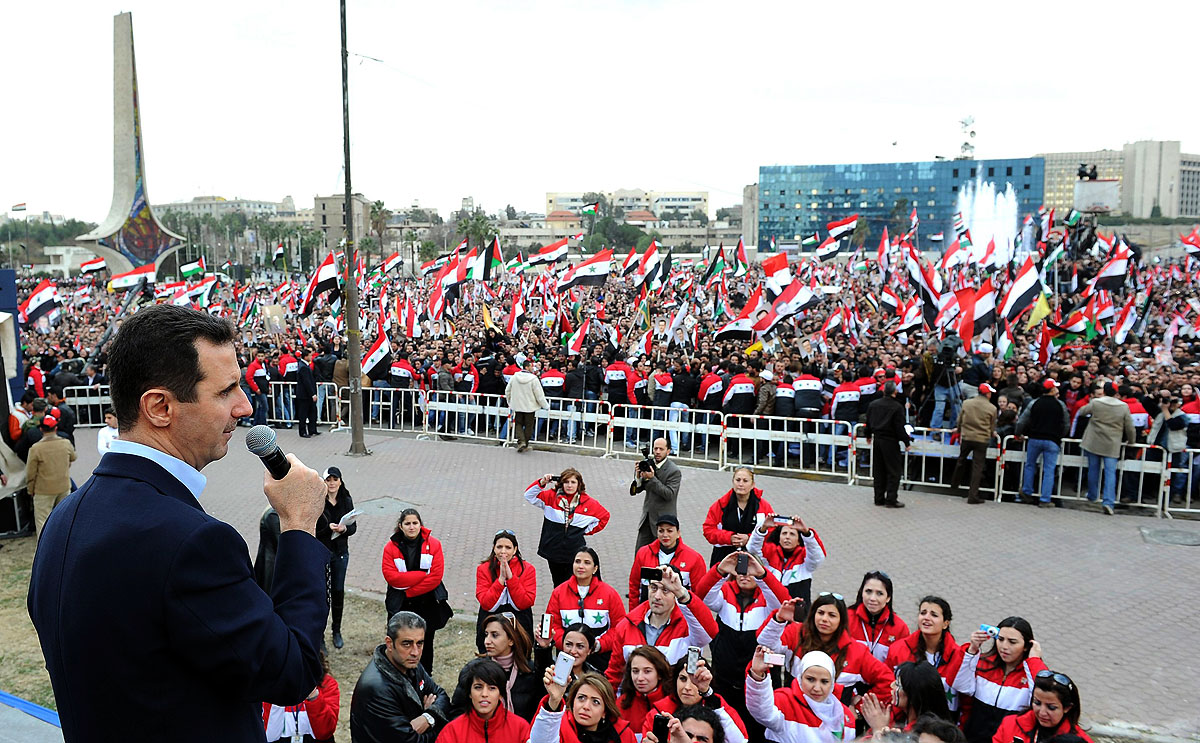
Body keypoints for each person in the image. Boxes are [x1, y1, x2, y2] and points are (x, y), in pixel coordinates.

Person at [28, 304, 330, 742]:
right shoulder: (192, 542)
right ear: (160, 407)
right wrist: (300, 525)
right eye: (226, 392)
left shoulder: (65, 517)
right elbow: (292, 670)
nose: (244, 408)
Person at [693, 550, 788, 742]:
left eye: (750, 570)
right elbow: (701, 595)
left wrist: (761, 575)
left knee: (758, 731)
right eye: (740, 570)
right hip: (725, 680)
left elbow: (781, 600)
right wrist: (720, 570)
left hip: (759, 682)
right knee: (728, 729)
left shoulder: (768, 599)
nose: (745, 575)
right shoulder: (725, 593)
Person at [757, 592, 895, 705]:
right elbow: (765, 643)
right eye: (821, 612)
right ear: (813, 614)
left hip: (832, 727)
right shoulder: (796, 633)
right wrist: (779, 618)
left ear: (842, 620)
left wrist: (860, 709)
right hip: (793, 716)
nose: (824, 619)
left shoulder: (856, 651)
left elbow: (888, 682)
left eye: (832, 615)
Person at [598, 565, 718, 687]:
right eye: (653, 588)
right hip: (636, 703)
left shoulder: (690, 626)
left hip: (674, 703)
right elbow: (615, 675)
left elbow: (710, 632)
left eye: (666, 590)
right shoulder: (626, 625)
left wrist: (681, 592)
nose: (657, 596)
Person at [350, 611, 451, 742]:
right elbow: (411, 740)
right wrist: (443, 727)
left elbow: (441, 695)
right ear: (389, 644)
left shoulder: (410, 663)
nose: (415, 652)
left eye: (419, 643)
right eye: (407, 644)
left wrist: (427, 717)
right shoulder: (377, 688)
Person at [958, 617, 1046, 743]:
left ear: (1027, 646)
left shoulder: (1031, 674)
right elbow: (962, 687)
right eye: (1000, 639)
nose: (1004, 646)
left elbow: (1042, 692)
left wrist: (1034, 661)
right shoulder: (983, 663)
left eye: (1012, 642)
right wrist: (972, 650)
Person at [381, 508, 448, 671]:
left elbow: (435, 577)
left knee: (426, 641)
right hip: (400, 603)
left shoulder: (434, 544)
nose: (411, 527)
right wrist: (420, 575)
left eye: (415, 523)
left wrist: (409, 591)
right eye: (407, 523)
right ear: (401, 526)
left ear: (420, 525)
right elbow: (392, 577)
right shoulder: (390, 547)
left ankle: (426, 674)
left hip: (427, 602)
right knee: (400, 639)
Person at [745, 647, 858, 742]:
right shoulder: (784, 701)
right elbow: (761, 711)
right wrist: (757, 675)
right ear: (800, 678)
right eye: (810, 679)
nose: (817, 688)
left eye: (824, 681)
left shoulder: (845, 715)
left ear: (832, 683)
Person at [886, 596, 974, 713]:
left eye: (934, 615)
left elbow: (966, 700)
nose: (926, 618)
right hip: (903, 722)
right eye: (923, 613)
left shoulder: (958, 657)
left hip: (941, 725)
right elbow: (887, 686)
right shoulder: (898, 649)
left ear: (945, 624)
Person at [544, 547, 626, 673]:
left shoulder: (609, 594)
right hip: (568, 657)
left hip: (600, 657)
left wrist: (599, 645)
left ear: (595, 569)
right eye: (577, 561)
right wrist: (569, 646)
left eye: (587, 563)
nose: (581, 566)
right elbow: (553, 626)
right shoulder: (558, 593)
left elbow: (619, 628)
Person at [524, 468, 610, 586]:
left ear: (579, 484)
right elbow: (529, 495)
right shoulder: (551, 497)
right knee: (559, 585)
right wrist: (542, 482)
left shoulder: (589, 503)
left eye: (573, 482)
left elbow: (604, 517)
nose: (569, 485)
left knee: (577, 584)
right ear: (561, 483)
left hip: (574, 552)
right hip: (553, 551)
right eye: (566, 482)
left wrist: (584, 531)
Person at [451, 613, 542, 723]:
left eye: (494, 635)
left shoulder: (529, 671)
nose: (487, 641)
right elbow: (457, 711)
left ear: (511, 640)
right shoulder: (473, 670)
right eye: (486, 634)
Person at [642, 657, 747, 743]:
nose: (688, 687)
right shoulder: (657, 714)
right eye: (683, 679)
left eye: (696, 681)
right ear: (675, 681)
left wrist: (707, 693)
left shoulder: (723, 712)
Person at [439, 658, 533, 743]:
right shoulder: (451, 732)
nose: (484, 694)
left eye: (492, 688)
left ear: (500, 694)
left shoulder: (520, 728)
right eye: (478, 687)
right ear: (469, 693)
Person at [529, 670, 635, 743]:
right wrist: (554, 700)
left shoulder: (623, 735)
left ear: (605, 712)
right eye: (581, 698)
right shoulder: (557, 726)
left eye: (596, 702)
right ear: (573, 702)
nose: (586, 706)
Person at [1078, 382, 1135, 515]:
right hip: (1112, 443)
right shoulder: (1123, 406)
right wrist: (1132, 441)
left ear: (1104, 391)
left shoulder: (1097, 402)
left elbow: (1082, 412)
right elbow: (1129, 427)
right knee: (1110, 473)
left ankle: (1092, 495)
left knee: (1093, 469)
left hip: (1094, 440)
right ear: (1116, 393)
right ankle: (1108, 502)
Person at [475, 529, 538, 652]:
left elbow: (526, 602)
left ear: (515, 549)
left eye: (508, 547)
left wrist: (511, 579)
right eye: (499, 547)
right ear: (494, 548)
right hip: (491, 616)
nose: (503, 551)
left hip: (520, 618)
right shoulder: (483, 569)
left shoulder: (528, 569)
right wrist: (500, 581)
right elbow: (486, 603)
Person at [315, 466, 356, 649]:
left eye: (335, 479)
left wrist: (344, 529)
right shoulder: (317, 501)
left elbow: (353, 527)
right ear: (324, 482)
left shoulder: (346, 500)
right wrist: (327, 528)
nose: (331, 483)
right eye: (328, 480)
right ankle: (320, 635)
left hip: (340, 553)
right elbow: (313, 528)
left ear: (340, 481)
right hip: (323, 552)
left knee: (338, 592)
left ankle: (336, 630)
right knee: (322, 595)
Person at [627, 514, 706, 610]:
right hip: (649, 614)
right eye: (661, 531)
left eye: (669, 531)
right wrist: (633, 616)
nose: (665, 535)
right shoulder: (643, 554)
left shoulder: (694, 558)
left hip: (679, 618)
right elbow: (634, 587)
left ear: (678, 533)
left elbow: (699, 595)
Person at [990, 670, 1092, 743]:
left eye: (1051, 707)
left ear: (1067, 708)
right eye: (1037, 703)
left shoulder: (1079, 740)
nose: (1042, 712)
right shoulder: (1010, 724)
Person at [746, 513, 826, 604]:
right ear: (779, 538)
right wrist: (763, 528)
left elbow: (817, 557)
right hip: (771, 609)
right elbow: (752, 549)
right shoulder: (769, 554)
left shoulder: (805, 558)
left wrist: (806, 533)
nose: (787, 537)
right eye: (784, 533)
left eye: (792, 534)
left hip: (797, 612)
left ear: (799, 541)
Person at [701, 467, 774, 566]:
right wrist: (729, 538)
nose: (741, 484)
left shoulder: (763, 506)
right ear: (733, 482)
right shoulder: (721, 505)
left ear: (753, 485)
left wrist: (749, 539)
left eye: (745, 481)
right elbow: (708, 530)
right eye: (738, 480)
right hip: (724, 558)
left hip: (754, 558)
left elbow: (772, 532)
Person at [261, 650, 339, 742]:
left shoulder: (327, 684)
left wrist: (313, 696)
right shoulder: (267, 686)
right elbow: (268, 736)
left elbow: (324, 733)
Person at [1016, 379, 1070, 507]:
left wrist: (1018, 433)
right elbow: (1066, 424)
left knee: (1030, 465)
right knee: (1049, 470)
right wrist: (1060, 436)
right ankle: (1045, 499)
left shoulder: (1034, 403)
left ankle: (1027, 492)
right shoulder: (1060, 405)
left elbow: (1022, 421)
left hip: (1034, 438)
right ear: (1052, 390)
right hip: (1052, 440)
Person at [860, 661, 953, 733]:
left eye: (898, 685)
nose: (892, 686)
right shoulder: (895, 715)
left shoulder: (929, 732)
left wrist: (879, 729)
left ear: (914, 695)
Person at [25, 410, 76, 540]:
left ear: (41, 429)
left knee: (42, 521)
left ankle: (44, 549)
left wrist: (30, 489)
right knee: (64, 519)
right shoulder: (65, 443)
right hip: (63, 486)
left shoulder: (36, 448)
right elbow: (73, 457)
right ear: (56, 428)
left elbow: (30, 473)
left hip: (43, 489)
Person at [629, 437, 683, 550]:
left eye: (661, 449)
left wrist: (652, 479)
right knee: (640, 555)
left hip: (664, 523)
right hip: (647, 521)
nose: (657, 452)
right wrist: (638, 477)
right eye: (655, 448)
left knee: (660, 558)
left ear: (668, 451)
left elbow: (669, 494)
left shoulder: (674, 471)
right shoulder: (648, 465)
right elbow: (635, 491)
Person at [864, 380, 912, 508]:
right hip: (890, 441)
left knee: (878, 470)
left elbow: (868, 421)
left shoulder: (873, 404)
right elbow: (899, 427)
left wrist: (868, 435)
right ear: (895, 392)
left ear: (884, 391)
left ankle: (878, 498)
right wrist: (906, 441)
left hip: (877, 440)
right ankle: (891, 499)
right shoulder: (897, 407)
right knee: (893, 471)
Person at [846, 570, 910, 663]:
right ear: (861, 593)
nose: (872, 598)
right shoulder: (846, 619)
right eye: (868, 591)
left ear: (888, 598)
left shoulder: (900, 628)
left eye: (879, 593)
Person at [950, 382, 996, 504]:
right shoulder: (992, 408)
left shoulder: (967, 403)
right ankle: (973, 495)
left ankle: (954, 483)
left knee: (961, 459)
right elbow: (992, 426)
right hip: (981, 439)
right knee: (978, 467)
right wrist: (991, 433)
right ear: (987, 394)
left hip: (967, 436)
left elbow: (960, 419)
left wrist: (959, 430)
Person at [615, 645, 671, 732]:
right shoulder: (621, 704)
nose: (640, 678)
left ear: (659, 673)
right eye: (635, 671)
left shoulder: (673, 702)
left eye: (647, 671)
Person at [506, 357, 549, 451]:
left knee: (518, 423)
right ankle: (525, 443)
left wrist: (510, 401)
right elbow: (539, 394)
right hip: (530, 406)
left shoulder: (514, 377)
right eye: (531, 366)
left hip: (517, 405)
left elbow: (507, 390)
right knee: (529, 425)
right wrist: (545, 405)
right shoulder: (534, 379)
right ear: (527, 367)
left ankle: (521, 441)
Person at [295, 347, 319, 437]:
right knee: (303, 414)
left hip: (307, 395)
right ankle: (303, 431)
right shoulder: (303, 367)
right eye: (310, 356)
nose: (311, 357)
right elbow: (307, 382)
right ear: (305, 357)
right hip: (304, 395)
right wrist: (312, 394)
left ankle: (312, 430)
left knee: (312, 412)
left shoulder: (304, 365)